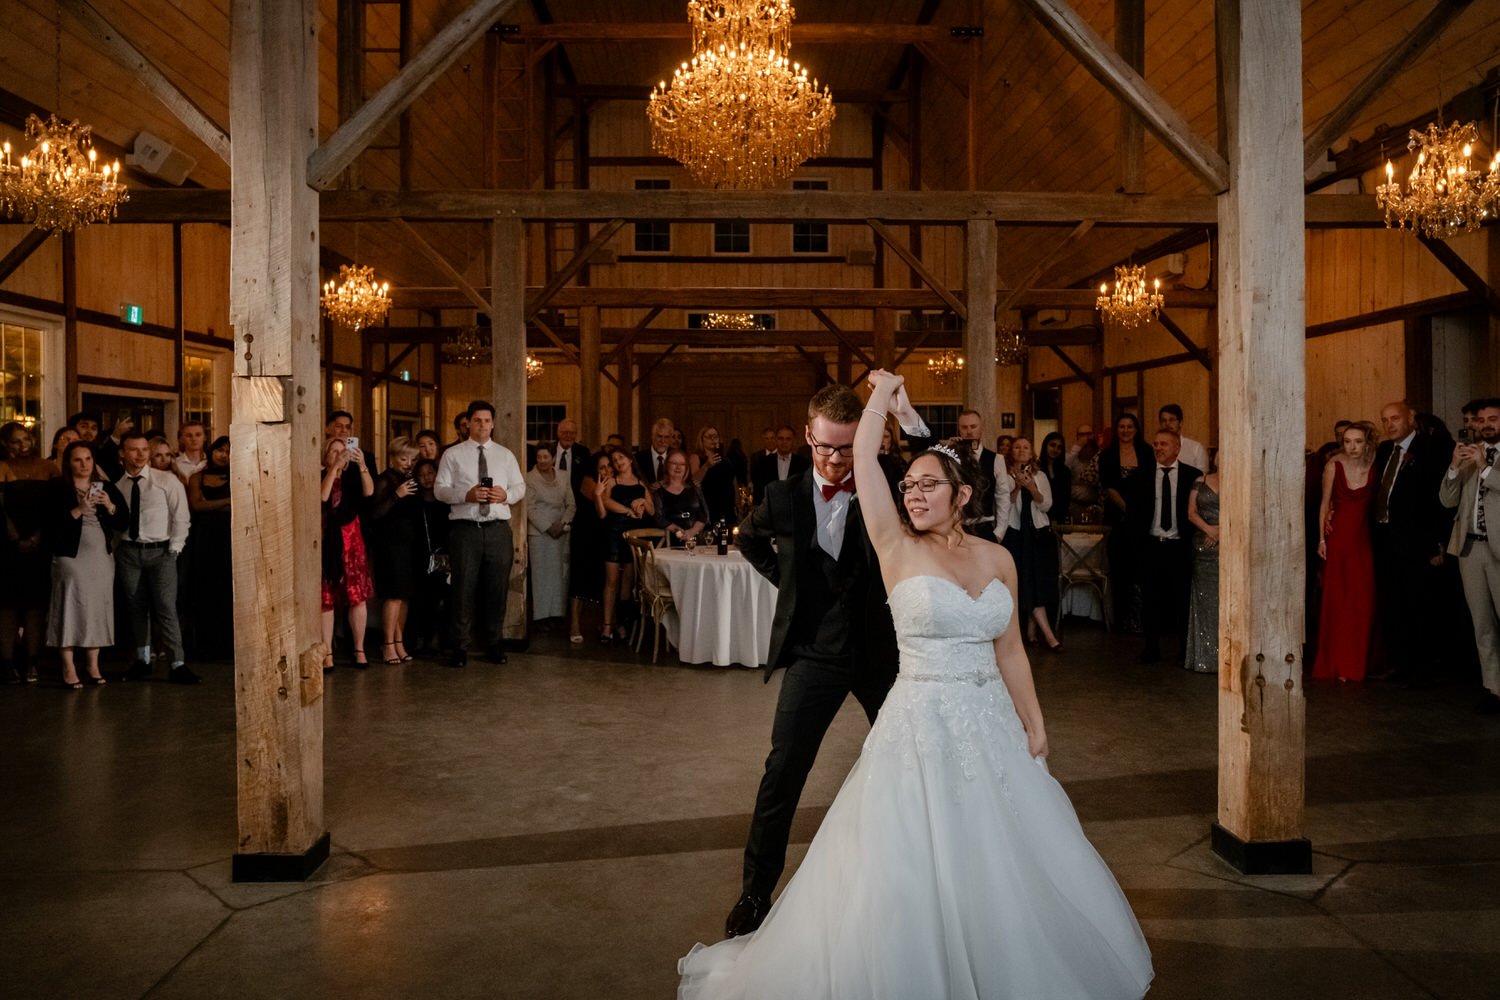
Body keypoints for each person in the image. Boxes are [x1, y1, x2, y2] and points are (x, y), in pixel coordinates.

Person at [681, 370, 1153, 998]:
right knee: (789, 771)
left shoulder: (988, 553)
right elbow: (795, 516)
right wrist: (882, 394)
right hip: (851, 670)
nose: (913, 492)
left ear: (961, 495)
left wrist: (1034, 721)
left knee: (984, 829)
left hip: (939, 688)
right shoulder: (877, 534)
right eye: (908, 486)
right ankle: (756, 893)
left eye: (928, 485)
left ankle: (987, 935)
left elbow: (1010, 645)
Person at [721, 382, 916, 940]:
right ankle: (755, 893)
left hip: (881, 652)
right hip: (813, 655)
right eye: (825, 446)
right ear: (808, 436)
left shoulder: (888, 484)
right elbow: (749, 539)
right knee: (782, 773)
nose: (834, 459)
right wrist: (789, 584)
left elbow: (946, 474)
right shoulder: (782, 497)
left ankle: (916, 878)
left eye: (847, 448)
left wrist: (908, 418)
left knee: (914, 760)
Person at [434, 400, 525, 668]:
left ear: (493, 424)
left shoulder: (505, 455)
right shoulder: (453, 455)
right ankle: (460, 647)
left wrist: (506, 495)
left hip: (497, 530)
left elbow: (520, 487)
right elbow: (439, 489)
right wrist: (466, 495)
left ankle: (493, 644)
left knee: (497, 589)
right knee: (462, 589)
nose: (482, 425)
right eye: (477, 421)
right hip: (465, 530)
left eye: (486, 421)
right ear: (469, 424)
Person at [1371, 401, 1451, 683]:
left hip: (1416, 540)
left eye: (1395, 418)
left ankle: (1421, 668)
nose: (1389, 424)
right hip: (1385, 538)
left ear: (1411, 418)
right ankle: (1400, 663)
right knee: (1392, 603)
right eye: (1385, 420)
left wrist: (1437, 541)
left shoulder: (1429, 449)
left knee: (1418, 603)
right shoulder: (1384, 450)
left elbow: (1438, 499)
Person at [42, 441, 128, 688]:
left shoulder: (106, 487)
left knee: (97, 607)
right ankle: (68, 666)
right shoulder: (58, 487)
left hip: (100, 555)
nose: (84, 464)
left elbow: (124, 521)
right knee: (69, 604)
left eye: (88, 459)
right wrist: (79, 509)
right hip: (69, 554)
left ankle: (93, 664)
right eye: (77, 459)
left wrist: (109, 506)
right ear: (68, 463)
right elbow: (49, 527)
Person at [114, 430, 197, 684]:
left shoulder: (166, 481)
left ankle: (177, 663)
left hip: (161, 551)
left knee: (165, 606)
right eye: (133, 450)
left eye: (144, 449)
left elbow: (181, 516)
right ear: (122, 453)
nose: (140, 455)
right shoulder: (119, 486)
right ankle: (143, 660)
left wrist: (175, 549)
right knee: (136, 607)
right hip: (129, 551)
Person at [1440, 398, 1500, 713]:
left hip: (1498, 547)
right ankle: (1494, 688)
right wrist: (1454, 466)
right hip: (1470, 548)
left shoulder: (1486, 459)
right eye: (1482, 420)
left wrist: (1485, 467)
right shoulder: (1470, 454)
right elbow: (1447, 499)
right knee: (1482, 623)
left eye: (1493, 419)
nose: (1486, 424)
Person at [1311, 422, 1378, 683]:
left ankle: (1356, 662)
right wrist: (1321, 539)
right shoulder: (1334, 465)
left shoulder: (1375, 463)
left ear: (1367, 443)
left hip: (1364, 539)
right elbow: (1324, 503)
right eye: (1348, 441)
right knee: (1338, 601)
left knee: (1362, 601)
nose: (1352, 447)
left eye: (1358, 441)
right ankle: (1337, 662)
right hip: (1338, 539)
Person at [1131, 428, 1201, 664]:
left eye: (1164, 444)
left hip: (1179, 546)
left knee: (1182, 598)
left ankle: (1184, 650)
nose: (1158, 448)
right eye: (1156, 444)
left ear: (1177, 448)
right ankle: (1151, 648)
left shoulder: (1193, 476)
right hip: (1152, 544)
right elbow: (1134, 513)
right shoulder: (1142, 475)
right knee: (1150, 598)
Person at [0, 422, 55, 683]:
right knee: (7, 608)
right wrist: (15, 538)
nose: (23, 445)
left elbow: (53, 508)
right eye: (16, 441)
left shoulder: (48, 467)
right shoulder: (2, 467)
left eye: (26, 438)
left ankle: (33, 662)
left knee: (36, 607)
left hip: (40, 546)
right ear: (5, 444)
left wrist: (37, 536)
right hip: (6, 546)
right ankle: (7, 663)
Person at [320, 436, 376, 670]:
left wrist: (361, 464)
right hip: (327, 541)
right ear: (326, 455)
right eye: (334, 451)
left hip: (352, 540)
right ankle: (327, 652)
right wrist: (333, 468)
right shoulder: (321, 474)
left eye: (343, 451)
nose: (339, 454)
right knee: (326, 598)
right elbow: (323, 496)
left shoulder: (353, 475)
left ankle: (359, 649)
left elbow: (369, 491)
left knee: (357, 596)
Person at [1001, 437, 1062, 651]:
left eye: (1026, 447)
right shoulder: (1004, 475)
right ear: (1011, 452)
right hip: (1016, 535)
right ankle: (1045, 635)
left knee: (1036, 581)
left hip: (1037, 535)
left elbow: (1046, 505)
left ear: (1032, 452)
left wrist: (1032, 487)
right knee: (1023, 581)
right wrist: (1017, 487)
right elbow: (1004, 505)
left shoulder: (1040, 475)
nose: (1021, 450)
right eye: (1017, 447)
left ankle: (1033, 629)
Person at [370, 437, 424, 664]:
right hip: (389, 545)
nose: (408, 463)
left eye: (413, 459)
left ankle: (399, 642)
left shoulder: (410, 479)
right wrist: (396, 495)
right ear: (392, 458)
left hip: (408, 544)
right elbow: (374, 514)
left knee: (405, 596)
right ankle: (387, 644)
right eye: (403, 459)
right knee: (393, 596)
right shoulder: (384, 479)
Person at [1099, 413, 1153, 632]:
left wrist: (1139, 512)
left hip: (1143, 519)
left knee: (1141, 569)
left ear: (1136, 429)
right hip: (1117, 519)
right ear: (1116, 430)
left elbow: (1151, 482)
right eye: (1121, 426)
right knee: (1120, 569)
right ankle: (1121, 622)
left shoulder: (1147, 451)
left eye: (1130, 426)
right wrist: (1128, 510)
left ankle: (1141, 621)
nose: (1126, 430)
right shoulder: (1107, 454)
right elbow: (1108, 486)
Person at [594, 447, 652, 644]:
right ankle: (607, 626)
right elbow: (605, 502)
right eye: (614, 460)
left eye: (621, 457)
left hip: (633, 536)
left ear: (630, 459)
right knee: (611, 581)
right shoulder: (612, 481)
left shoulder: (641, 483)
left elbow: (652, 511)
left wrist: (643, 501)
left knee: (628, 583)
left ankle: (621, 623)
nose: (618, 462)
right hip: (613, 533)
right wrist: (628, 510)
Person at [185, 437, 233, 660]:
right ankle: (205, 646)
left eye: (229, 451)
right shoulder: (198, 477)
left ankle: (228, 646)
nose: (224, 455)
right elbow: (197, 505)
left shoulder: (239, 476)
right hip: (205, 536)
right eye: (220, 450)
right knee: (205, 587)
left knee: (228, 589)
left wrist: (211, 505)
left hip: (230, 536)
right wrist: (228, 501)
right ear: (212, 451)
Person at [525, 444, 575, 625]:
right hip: (540, 533)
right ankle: (541, 617)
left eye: (546, 457)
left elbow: (571, 504)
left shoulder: (563, 475)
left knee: (561, 574)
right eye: (539, 457)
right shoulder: (529, 478)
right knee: (541, 576)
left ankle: (558, 614)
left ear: (553, 458)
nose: (542, 461)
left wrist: (563, 523)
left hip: (561, 531)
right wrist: (548, 527)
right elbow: (529, 508)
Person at [1184, 452, 1223, 674]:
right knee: (1203, 598)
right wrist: (1209, 530)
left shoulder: (1239, 481)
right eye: (1219, 454)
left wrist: (1222, 531)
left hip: (1227, 542)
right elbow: (1191, 513)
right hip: (1203, 543)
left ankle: (1225, 657)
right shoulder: (1201, 480)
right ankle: (1203, 657)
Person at [567, 452, 611, 644]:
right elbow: (604, 503)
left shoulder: (611, 482)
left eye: (609, 466)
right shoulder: (588, 481)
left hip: (603, 534)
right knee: (579, 579)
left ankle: (604, 623)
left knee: (602, 578)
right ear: (594, 469)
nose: (606, 470)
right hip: (585, 534)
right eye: (602, 467)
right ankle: (575, 625)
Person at [409, 458, 451, 656]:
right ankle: (419, 638)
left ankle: (437, 639)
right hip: (419, 554)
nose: (427, 478)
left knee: (440, 599)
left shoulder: (445, 501)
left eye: (430, 473)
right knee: (419, 599)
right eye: (422, 475)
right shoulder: (414, 501)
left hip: (442, 556)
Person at [952, 409, 1011, 543]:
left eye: (973, 426)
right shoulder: (951, 456)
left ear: (981, 428)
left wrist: (1000, 532)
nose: (969, 431)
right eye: (964, 427)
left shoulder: (997, 459)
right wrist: (947, 450)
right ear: (959, 430)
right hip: (956, 527)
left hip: (984, 527)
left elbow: (1003, 496)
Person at [654, 449, 708, 546]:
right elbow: (659, 518)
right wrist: (680, 532)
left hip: (695, 541)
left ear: (686, 467)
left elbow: (704, 515)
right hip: (669, 542)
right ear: (667, 465)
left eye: (682, 464)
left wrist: (692, 532)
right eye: (674, 463)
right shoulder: (658, 491)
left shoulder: (695, 488)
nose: (678, 467)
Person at [688, 425, 741, 525]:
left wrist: (738, 505)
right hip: (708, 506)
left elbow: (733, 483)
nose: (713, 439)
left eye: (715, 436)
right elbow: (694, 481)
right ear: (702, 439)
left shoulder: (725, 459)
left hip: (727, 507)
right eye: (709, 436)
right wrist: (707, 465)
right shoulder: (697, 457)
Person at [750, 425, 810, 504]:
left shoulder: (804, 464)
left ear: (794, 441)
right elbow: (758, 491)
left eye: (788, 439)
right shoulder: (763, 463)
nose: (784, 442)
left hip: (795, 508)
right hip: (769, 508)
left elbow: (806, 491)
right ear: (776, 440)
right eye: (781, 438)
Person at [1159, 403, 1209, 473]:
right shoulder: (1156, 450)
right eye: (1164, 421)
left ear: (1180, 423)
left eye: (1171, 420)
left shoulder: (1196, 449)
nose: (1167, 424)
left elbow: (1203, 476)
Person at [1038, 430, 1073, 523]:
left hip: (1059, 519)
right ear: (1045, 445)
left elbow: (1066, 499)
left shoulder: (1065, 471)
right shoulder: (1036, 468)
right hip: (1039, 518)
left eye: (1059, 447)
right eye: (1052, 445)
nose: (1055, 449)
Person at [551, 418, 590, 497]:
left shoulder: (583, 452)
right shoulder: (548, 450)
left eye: (572, 433)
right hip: (550, 497)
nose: (568, 436)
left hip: (574, 498)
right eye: (565, 432)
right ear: (558, 433)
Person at [635, 418, 676, 485]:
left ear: (671, 439)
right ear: (652, 436)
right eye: (659, 436)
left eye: (666, 437)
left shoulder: (676, 458)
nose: (663, 441)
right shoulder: (638, 458)